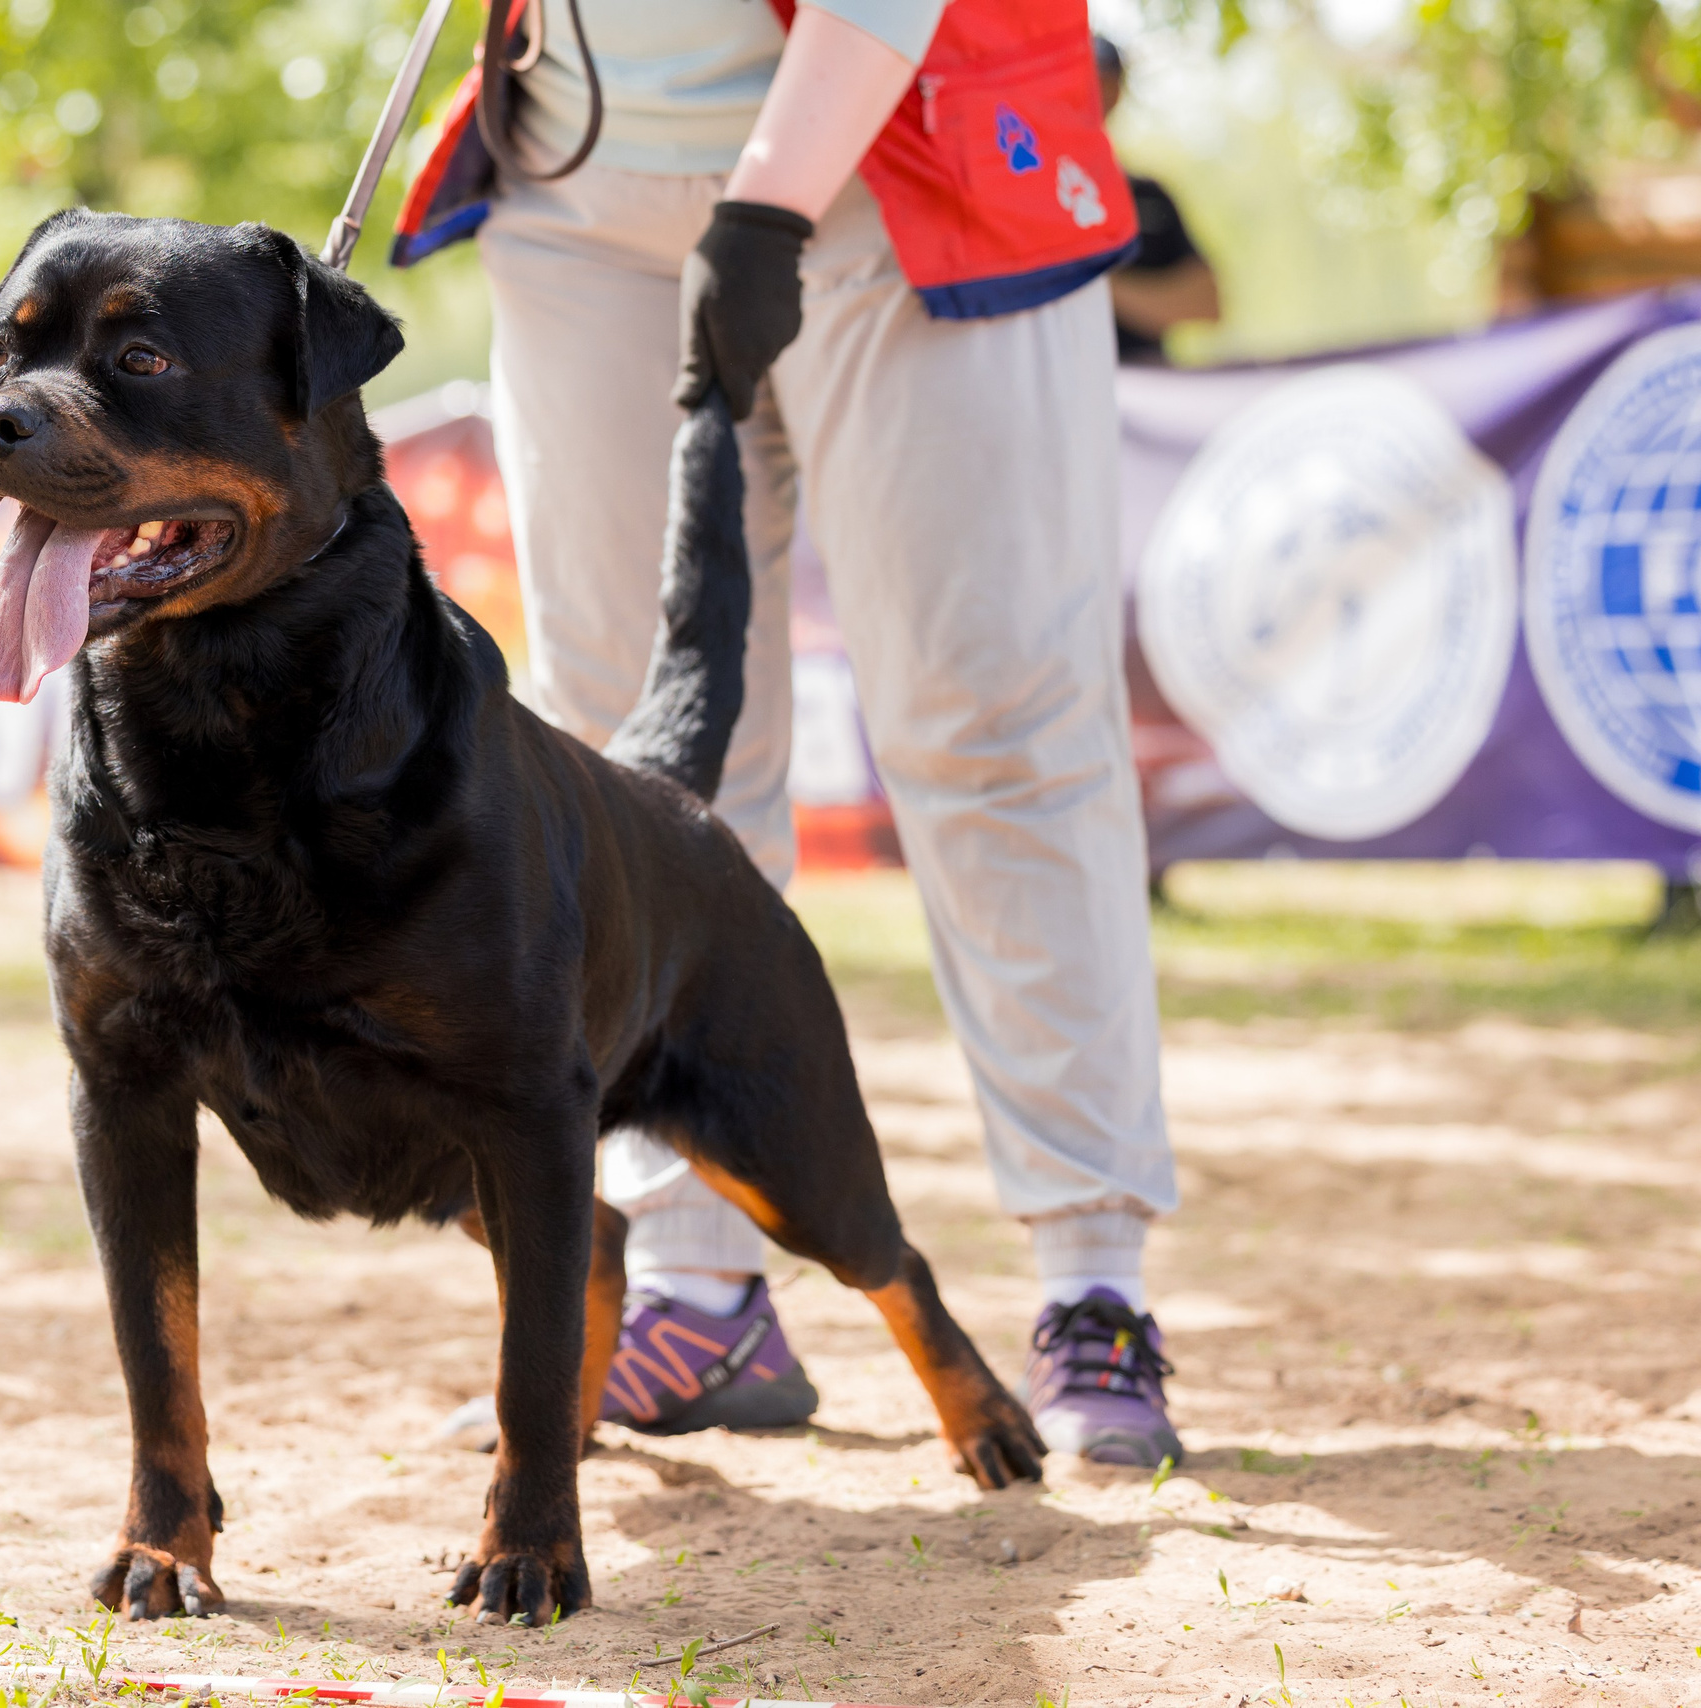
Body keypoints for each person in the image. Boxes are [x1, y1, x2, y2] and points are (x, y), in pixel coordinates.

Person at [421, 0, 1185, 1468]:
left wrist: (768, 206)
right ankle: (694, 1283)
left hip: (918, 156)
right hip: (578, 180)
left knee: (994, 721)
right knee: (628, 763)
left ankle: (1092, 1277)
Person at [1095, 34, 1221, 363]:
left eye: (1104, 81)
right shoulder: (1028, 193)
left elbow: (1208, 303)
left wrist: (1094, 287)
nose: (1093, 94)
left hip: (1143, 381)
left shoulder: (1149, 197)